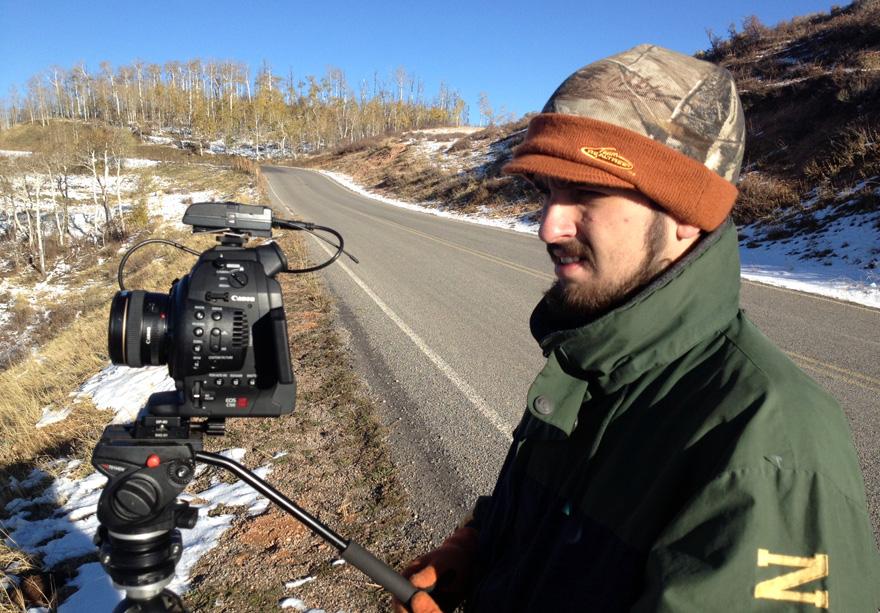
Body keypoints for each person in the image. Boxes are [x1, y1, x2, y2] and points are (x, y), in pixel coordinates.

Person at [394, 44, 880, 612]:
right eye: (546, 190)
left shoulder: (770, 440)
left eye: (588, 191)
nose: (549, 225)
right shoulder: (594, 364)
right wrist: (475, 549)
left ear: (685, 214)